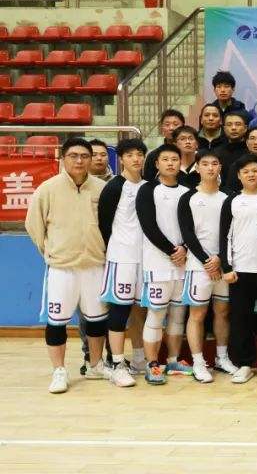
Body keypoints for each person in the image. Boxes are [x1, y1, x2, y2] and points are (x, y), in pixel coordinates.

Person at [27, 138, 109, 393]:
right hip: (62, 268)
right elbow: (34, 225)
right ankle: (59, 371)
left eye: (84, 156)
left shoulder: (101, 188)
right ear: (63, 158)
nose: (79, 161)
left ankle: (95, 365)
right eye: (73, 155)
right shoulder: (47, 189)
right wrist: (51, 251)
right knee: (57, 322)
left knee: (96, 320)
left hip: (95, 265)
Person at [135, 144, 193, 385]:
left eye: (174, 159)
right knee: (156, 314)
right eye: (165, 159)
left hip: (183, 263)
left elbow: (193, 226)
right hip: (157, 263)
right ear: (156, 163)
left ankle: (173, 360)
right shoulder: (148, 190)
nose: (170, 163)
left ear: (180, 163)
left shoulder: (188, 191)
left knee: (178, 315)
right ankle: (152, 364)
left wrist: (185, 248)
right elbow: (148, 226)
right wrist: (171, 250)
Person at [177, 149, 235, 383]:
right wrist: (206, 260)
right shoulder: (188, 198)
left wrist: (220, 258)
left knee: (222, 312)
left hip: (224, 263)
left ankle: (222, 357)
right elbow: (187, 233)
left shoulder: (228, 197)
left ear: (220, 167)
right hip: (197, 265)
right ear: (197, 167)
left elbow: (231, 231)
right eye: (205, 164)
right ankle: (199, 362)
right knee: (198, 314)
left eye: (214, 164)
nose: (210, 168)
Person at [219, 155, 257, 383]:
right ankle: (244, 364)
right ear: (239, 176)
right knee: (241, 320)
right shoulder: (232, 201)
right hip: (240, 270)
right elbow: (224, 236)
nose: (251, 174)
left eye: (255, 170)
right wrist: (226, 266)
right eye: (246, 171)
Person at [98, 138, 149, 386]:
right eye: (130, 155)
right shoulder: (114, 187)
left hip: (145, 259)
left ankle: (139, 359)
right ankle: (117, 363)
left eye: (139, 154)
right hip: (122, 258)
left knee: (141, 309)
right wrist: (116, 249)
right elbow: (104, 224)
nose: (136, 159)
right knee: (119, 311)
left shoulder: (149, 186)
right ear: (120, 159)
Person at [142, 109, 185, 180]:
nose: (171, 128)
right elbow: (148, 182)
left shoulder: (191, 154)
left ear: (183, 127)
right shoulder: (153, 156)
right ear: (162, 128)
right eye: (167, 125)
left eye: (175, 124)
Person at [212, 111, 250, 179]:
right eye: (229, 125)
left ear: (245, 128)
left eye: (238, 124)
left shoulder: (252, 151)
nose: (233, 128)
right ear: (224, 129)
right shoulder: (217, 153)